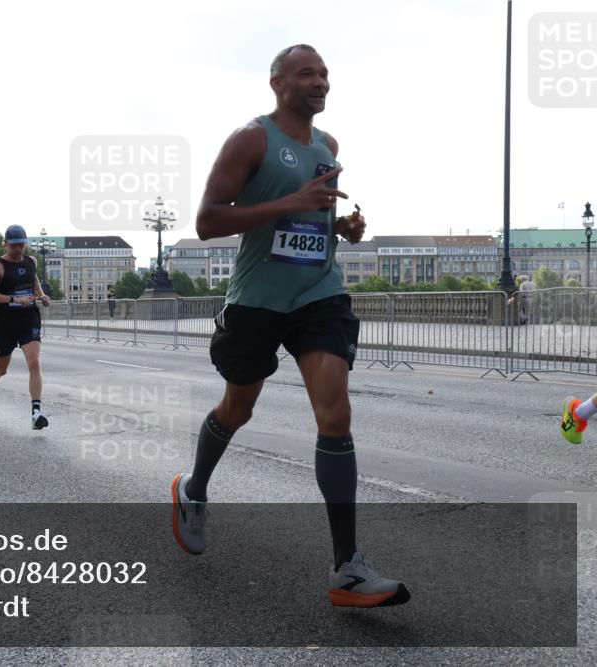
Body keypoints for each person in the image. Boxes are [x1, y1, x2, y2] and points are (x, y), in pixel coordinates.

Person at [170, 44, 409, 608]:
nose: (320, 81)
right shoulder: (251, 139)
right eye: (307, 73)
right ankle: (194, 491)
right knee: (238, 408)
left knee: (335, 412)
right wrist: (291, 201)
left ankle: (347, 569)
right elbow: (207, 220)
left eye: (324, 73)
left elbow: (312, 215)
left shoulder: (328, 147)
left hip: (318, 294)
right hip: (257, 299)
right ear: (277, 83)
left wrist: (340, 228)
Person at [0, 225, 51, 429]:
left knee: (34, 362)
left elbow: (33, 278)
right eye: (13, 246)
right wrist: (12, 299)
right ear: (5, 244)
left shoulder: (31, 261)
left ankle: (36, 413)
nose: (18, 250)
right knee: (2, 369)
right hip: (5, 323)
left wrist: (42, 295)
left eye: (21, 245)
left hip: (29, 319)